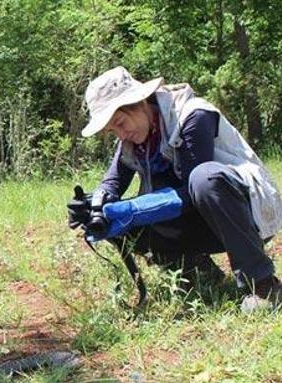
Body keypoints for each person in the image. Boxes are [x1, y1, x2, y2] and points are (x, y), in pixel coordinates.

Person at [70, 66, 282, 312]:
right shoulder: (134, 136)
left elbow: (196, 190)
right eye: (112, 130)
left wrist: (134, 208)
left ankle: (263, 285)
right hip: (203, 219)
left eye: (119, 122)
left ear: (138, 103)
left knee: (204, 179)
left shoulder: (192, 115)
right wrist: (92, 205)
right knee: (109, 214)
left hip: (245, 212)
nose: (120, 133)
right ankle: (197, 272)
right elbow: (112, 183)